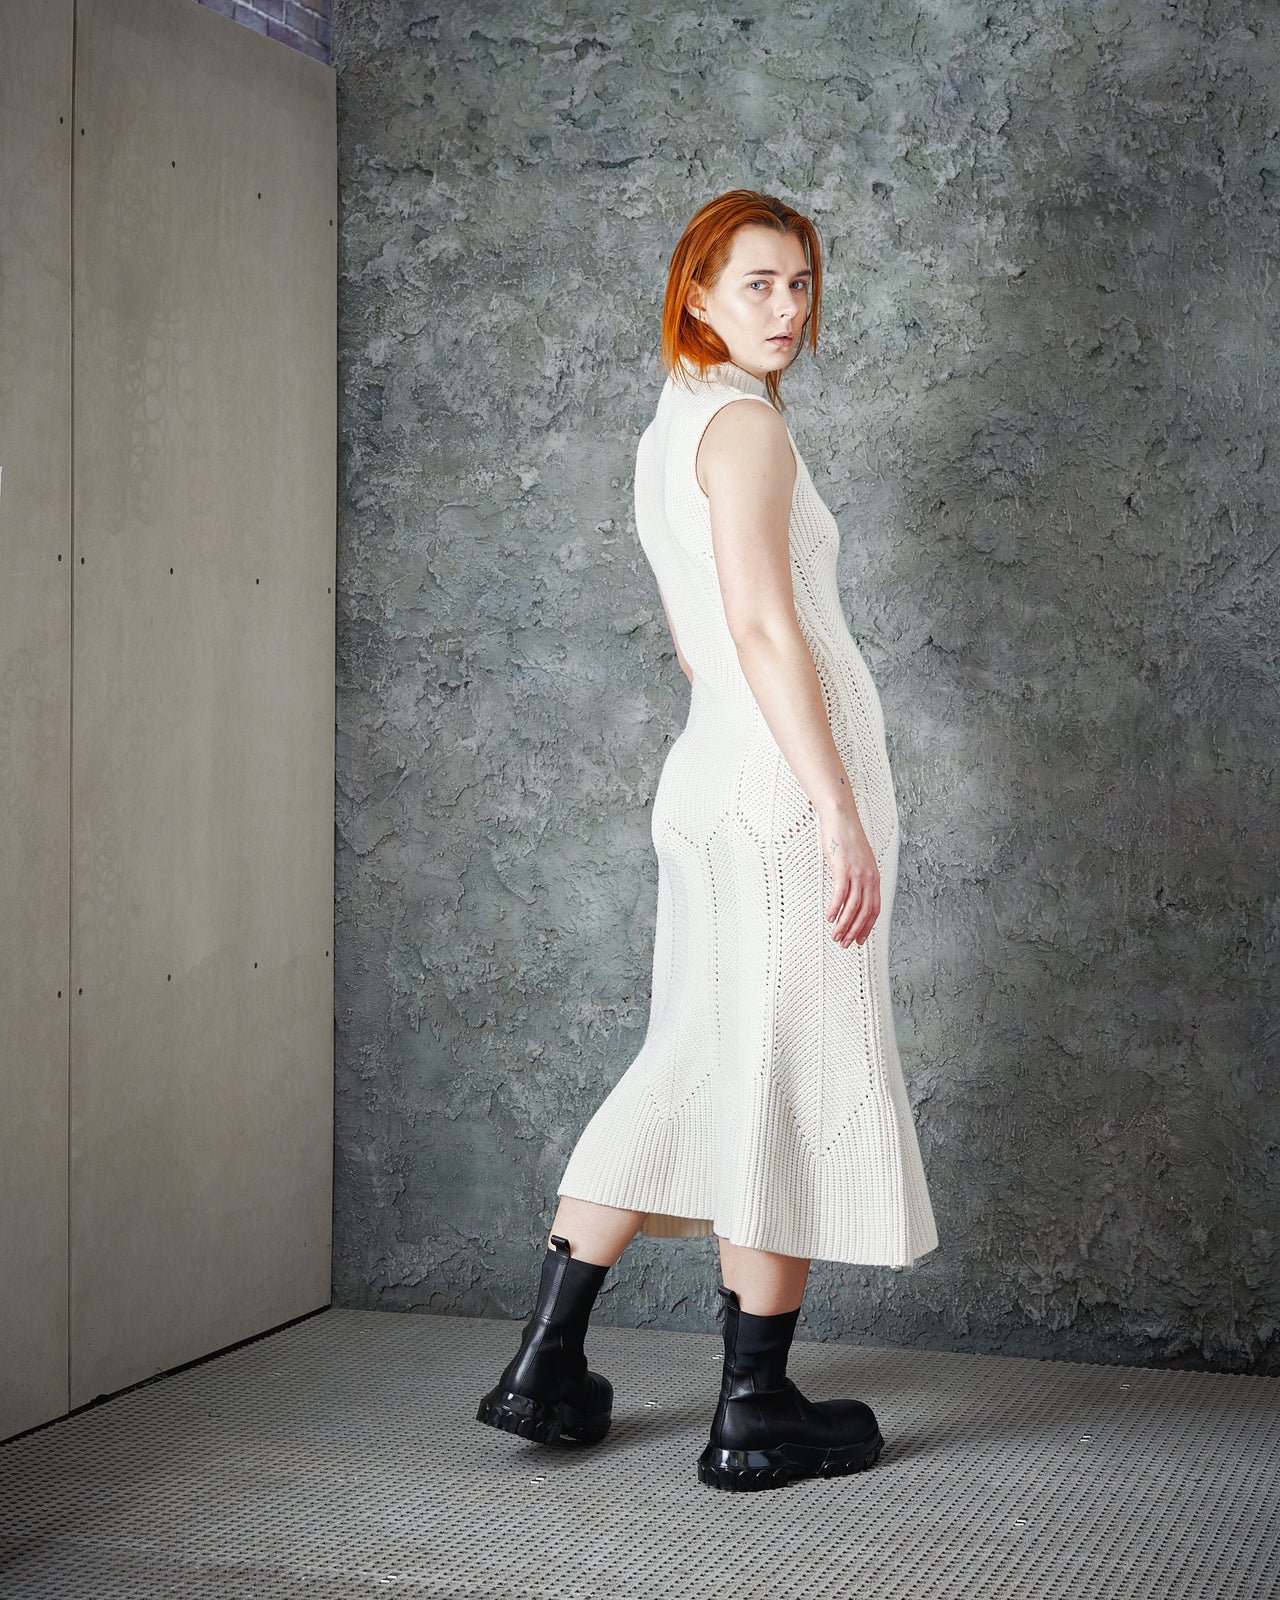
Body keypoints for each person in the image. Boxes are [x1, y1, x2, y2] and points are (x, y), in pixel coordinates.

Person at [477, 189, 939, 1492]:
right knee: (780, 1070)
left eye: (801, 284)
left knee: (691, 1053)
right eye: (757, 286)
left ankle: (544, 1365)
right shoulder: (744, 430)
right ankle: (756, 1408)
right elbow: (759, 630)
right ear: (696, 292)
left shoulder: (671, 425)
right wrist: (837, 803)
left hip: (708, 775)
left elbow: (695, 640)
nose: (787, 310)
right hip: (778, 796)